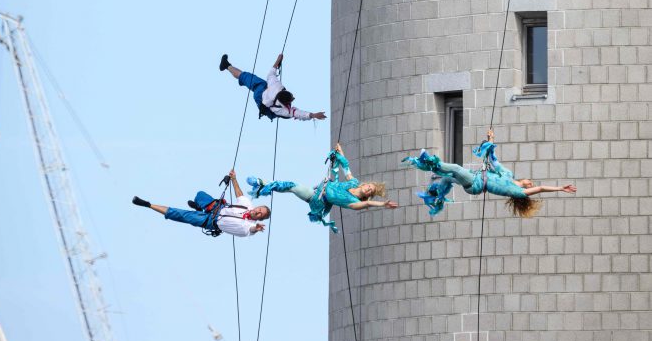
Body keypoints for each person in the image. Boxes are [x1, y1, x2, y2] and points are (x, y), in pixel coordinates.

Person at [402, 133, 577, 218]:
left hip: (476, 184)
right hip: (476, 177)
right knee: (447, 178)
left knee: (454, 168)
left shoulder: (516, 191)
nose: (531, 183)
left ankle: (430, 161)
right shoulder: (507, 175)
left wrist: (560, 188)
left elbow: (541, 188)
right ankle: (435, 194)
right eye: (530, 182)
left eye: (530, 185)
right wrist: (490, 139)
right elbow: (493, 160)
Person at [247, 143, 398, 233]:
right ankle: (263, 184)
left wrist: (382, 204)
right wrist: (340, 152)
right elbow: (346, 167)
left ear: (368, 195)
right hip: (319, 190)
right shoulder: (353, 182)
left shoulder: (354, 202)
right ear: (365, 184)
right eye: (369, 187)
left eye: (370, 191)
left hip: (318, 200)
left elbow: (367, 204)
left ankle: (263, 187)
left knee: (292, 188)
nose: (368, 190)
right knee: (291, 185)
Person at [132, 169, 270, 237]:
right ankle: (200, 207)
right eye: (259, 209)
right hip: (218, 207)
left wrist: (256, 229)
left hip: (211, 221)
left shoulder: (249, 227)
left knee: (180, 215)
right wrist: (233, 179)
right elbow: (239, 194)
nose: (257, 212)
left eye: (260, 215)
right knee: (200, 194)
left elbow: (249, 230)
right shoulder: (247, 205)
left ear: (259, 219)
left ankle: (148, 205)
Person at [219, 51, 326, 122]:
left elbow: (271, 73)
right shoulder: (284, 108)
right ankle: (226, 65)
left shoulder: (277, 87)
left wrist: (278, 60)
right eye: (292, 98)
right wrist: (313, 115)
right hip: (262, 92)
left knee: (245, 76)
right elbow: (298, 113)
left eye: (291, 97)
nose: (294, 98)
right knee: (243, 76)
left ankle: (228, 67)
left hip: (261, 93)